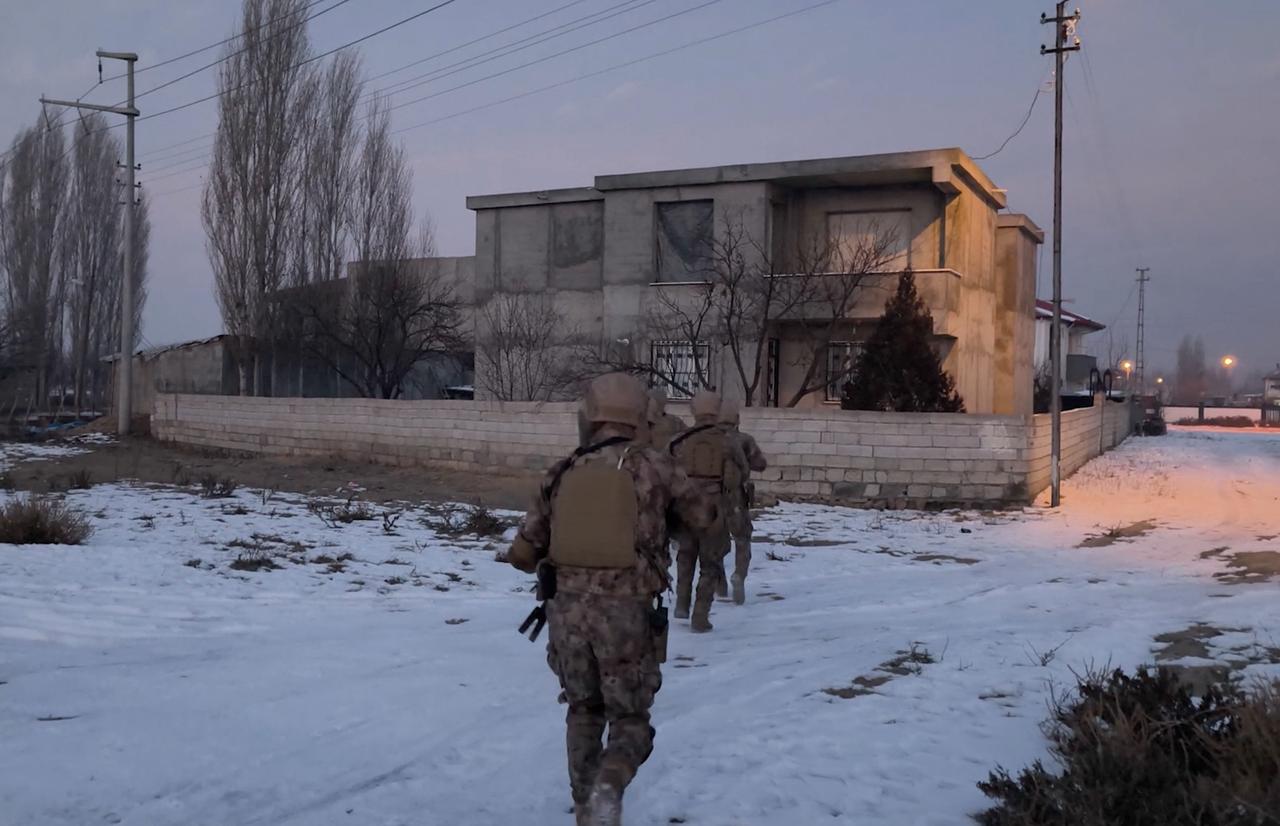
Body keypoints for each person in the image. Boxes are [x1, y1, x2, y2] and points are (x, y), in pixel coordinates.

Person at [507, 373, 716, 826]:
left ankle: (587, 807)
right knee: (631, 720)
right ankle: (609, 785)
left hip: (566, 615)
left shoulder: (563, 470)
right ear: (639, 417)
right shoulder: (656, 466)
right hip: (626, 617)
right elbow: (702, 515)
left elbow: (524, 552)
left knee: (583, 710)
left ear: (591, 417)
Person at [667, 390, 748, 633]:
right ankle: (700, 615)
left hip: (685, 505)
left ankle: (682, 603)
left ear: (694, 411)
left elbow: (664, 466)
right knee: (710, 562)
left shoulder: (679, 440)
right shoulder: (727, 440)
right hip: (714, 507)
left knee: (685, 555)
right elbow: (743, 470)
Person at [717, 400, 768, 605]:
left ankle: (718, 583)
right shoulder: (744, 440)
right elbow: (761, 464)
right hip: (736, 497)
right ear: (737, 420)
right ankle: (739, 575)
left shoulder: (708, 439)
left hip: (710, 497)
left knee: (715, 542)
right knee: (742, 538)